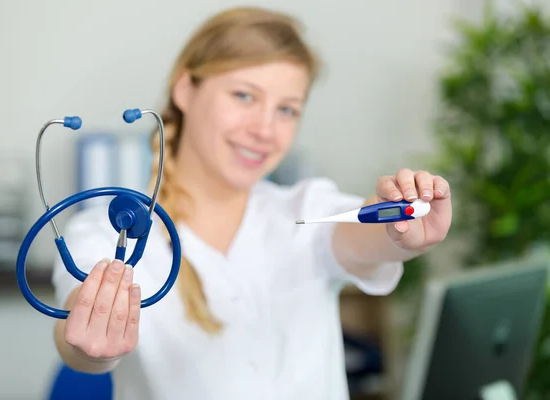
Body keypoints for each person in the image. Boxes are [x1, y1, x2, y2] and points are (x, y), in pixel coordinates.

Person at [51, 6, 452, 400]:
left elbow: (365, 236)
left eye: (286, 110)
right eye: (244, 96)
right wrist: (90, 348)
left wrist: (399, 230)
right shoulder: (105, 231)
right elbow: (76, 341)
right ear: (186, 89)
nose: (264, 129)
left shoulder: (304, 209)